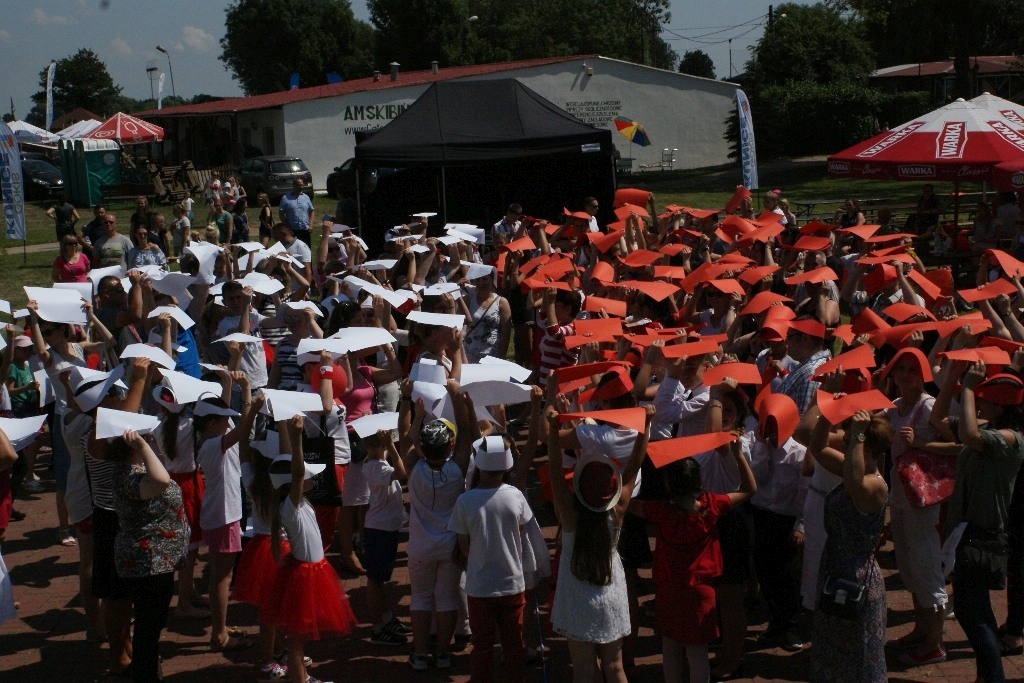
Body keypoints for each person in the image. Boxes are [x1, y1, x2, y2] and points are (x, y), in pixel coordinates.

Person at [630, 429, 756, 683]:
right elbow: (749, 488)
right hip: (701, 592)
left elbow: (627, 503)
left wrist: (632, 466)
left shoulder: (661, 512)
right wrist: (738, 455)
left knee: (671, 650)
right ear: (698, 482)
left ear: (669, 486)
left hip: (669, 589)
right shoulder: (714, 505)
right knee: (697, 652)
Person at [546, 403, 653, 683]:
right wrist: (646, 425)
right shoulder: (618, 511)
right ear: (613, 490)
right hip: (610, 594)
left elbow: (555, 471)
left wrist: (553, 430)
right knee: (615, 667)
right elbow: (634, 465)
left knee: (583, 671)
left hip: (576, 599)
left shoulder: (569, 515)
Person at [931, 362, 1024, 683]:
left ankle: (992, 677)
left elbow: (969, 434)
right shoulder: (988, 429)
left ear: (999, 406)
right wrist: (954, 377)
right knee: (976, 612)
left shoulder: (1012, 440)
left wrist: (969, 387)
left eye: (984, 400)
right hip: (966, 534)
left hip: (984, 536)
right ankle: (989, 676)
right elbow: (938, 420)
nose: (977, 404)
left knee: (974, 615)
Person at [263, 415, 357, 683]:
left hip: (311, 571)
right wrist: (295, 437)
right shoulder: (290, 506)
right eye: (305, 475)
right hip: (305, 576)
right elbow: (296, 474)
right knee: (296, 641)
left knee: (300, 641)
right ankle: (299, 680)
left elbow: (296, 476)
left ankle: (302, 676)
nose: (309, 478)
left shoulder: (299, 502)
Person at [806, 405, 892, 683]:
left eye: (851, 443)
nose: (845, 446)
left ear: (868, 449)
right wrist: (829, 411)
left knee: (861, 660)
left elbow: (855, 485)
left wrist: (857, 435)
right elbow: (817, 447)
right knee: (830, 655)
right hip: (833, 568)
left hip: (859, 578)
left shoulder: (876, 485)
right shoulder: (849, 469)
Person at [449, 435, 534, 683]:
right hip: (511, 583)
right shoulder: (515, 496)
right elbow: (520, 530)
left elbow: (463, 544)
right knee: (513, 644)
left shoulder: (465, 501)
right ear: (506, 465)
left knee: (482, 645)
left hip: (479, 585)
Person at [107, 429, 189, 683]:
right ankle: (146, 676)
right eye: (146, 438)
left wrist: (143, 449)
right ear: (132, 446)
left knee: (150, 625)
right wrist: (143, 446)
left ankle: (148, 672)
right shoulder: (129, 478)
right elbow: (162, 482)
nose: (153, 441)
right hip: (148, 562)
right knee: (148, 627)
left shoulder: (136, 472)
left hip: (156, 560)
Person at [194, 386, 260, 653]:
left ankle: (219, 627)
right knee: (222, 578)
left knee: (220, 576)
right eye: (223, 419)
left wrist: (240, 387)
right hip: (223, 515)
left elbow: (234, 422)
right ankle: (219, 634)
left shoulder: (211, 436)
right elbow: (242, 430)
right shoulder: (212, 444)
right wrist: (253, 408)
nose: (228, 421)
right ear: (213, 423)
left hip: (222, 513)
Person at [362, 429, 411, 645]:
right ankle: (377, 627)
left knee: (380, 580)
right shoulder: (377, 467)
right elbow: (402, 472)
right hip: (379, 529)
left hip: (384, 528)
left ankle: (386, 618)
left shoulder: (374, 463)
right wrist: (392, 445)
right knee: (375, 580)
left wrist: (386, 445)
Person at [278, 178, 315, 246]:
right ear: (294, 185)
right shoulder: (286, 198)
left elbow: (311, 211)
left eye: (302, 185)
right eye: (299, 185)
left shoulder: (306, 197)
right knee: (293, 251)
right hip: (292, 230)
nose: (301, 187)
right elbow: (281, 214)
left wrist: (311, 225)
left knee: (306, 250)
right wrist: (288, 227)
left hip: (305, 230)